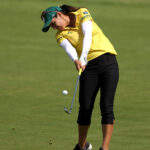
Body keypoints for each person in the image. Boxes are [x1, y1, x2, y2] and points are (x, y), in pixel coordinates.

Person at [41, 4, 119, 150]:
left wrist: (82, 56)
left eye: (53, 24)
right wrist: (76, 60)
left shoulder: (82, 13)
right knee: (85, 107)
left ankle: (105, 148)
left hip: (108, 61)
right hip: (88, 68)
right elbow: (69, 48)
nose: (54, 28)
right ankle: (82, 146)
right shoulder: (60, 35)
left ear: (58, 14)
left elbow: (87, 34)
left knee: (106, 106)